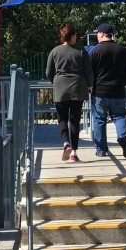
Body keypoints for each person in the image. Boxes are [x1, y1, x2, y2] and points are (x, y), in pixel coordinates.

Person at [45, 24, 92, 163]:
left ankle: (66, 144)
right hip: (77, 87)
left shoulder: (55, 51)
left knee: (62, 119)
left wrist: (56, 81)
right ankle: (74, 153)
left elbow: (48, 72)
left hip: (60, 87)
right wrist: (90, 85)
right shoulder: (81, 50)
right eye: (75, 35)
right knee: (75, 120)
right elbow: (89, 71)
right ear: (72, 36)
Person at [88, 22, 126, 158]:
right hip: (118, 90)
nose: (97, 35)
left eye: (98, 33)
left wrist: (89, 85)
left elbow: (89, 71)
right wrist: (124, 81)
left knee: (99, 120)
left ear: (102, 34)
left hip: (99, 92)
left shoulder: (94, 51)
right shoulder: (122, 50)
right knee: (119, 116)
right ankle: (123, 138)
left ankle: (101, 150)